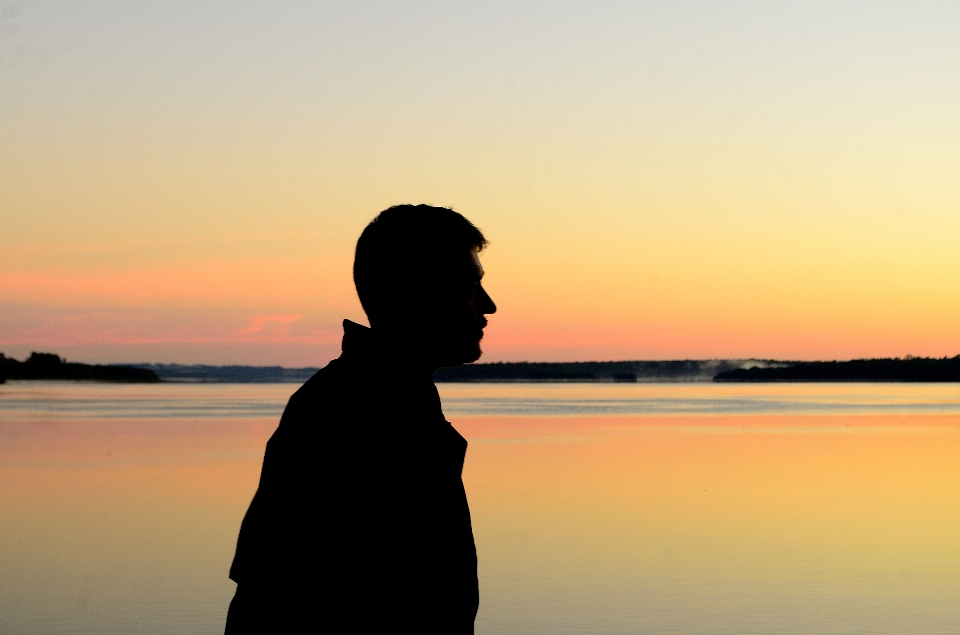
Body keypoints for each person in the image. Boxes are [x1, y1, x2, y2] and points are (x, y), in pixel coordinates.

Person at [225, 204, 497, 634]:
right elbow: (275, 597)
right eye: (469, 287)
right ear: (418, 293)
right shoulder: (349, 414)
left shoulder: (396, 401)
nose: (489, 305)